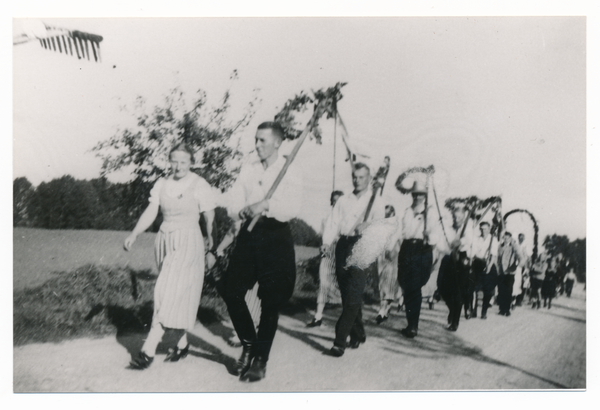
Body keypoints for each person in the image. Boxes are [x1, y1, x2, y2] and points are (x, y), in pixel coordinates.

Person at [221, 121, 302, 382]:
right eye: (255, 140)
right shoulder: (249, 168)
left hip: (275, 237)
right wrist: (241, 209)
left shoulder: (290, 170)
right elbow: (234, 197)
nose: (256, 145)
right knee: (231, 289)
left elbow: (292, 208)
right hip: (249, 235)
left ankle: (260, 360)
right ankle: (248, 344)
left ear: (277, 143)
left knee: (270, 301)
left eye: (262, 141)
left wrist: (265, 204)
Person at [124, 142, 217, 370]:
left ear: (191, 163)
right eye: (174, 161)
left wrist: (212, 246)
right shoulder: (162, 183)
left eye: (183, 162)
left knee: (166, 292)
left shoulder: (199, 184)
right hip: (164, 240)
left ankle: (148, 351)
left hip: (188, 241)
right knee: (173, 295)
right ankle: (182, 344)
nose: (178, 166)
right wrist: (135, 233)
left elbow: (210, 218)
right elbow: (151, 211)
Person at [322, 163, 385, 356]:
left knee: (353, 295)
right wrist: (326, 242)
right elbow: (333, 222)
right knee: (347, 295)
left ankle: (339, 341)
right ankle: (358, 333)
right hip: (343, 245)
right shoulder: (343, 200)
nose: (357, 180)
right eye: (354, 177)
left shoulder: (376, 200)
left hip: (362, 248)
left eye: (361, 177)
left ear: (369, 178)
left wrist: (367, 226)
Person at [397, 180, 435, 338]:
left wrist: (429, 235)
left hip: (422, 249)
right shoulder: (406, 211)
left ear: (425, 196)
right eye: (415, 194)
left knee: (415, 287)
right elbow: (400, 231)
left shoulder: (430, 212)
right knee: (406, 286)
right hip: (406, 249)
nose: (417, 196)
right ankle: (410, 323)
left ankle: (414, 325)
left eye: (420, 194)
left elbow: (435, 235)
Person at [306, 191, 344, 328]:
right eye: (334, 201)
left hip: (342, 252)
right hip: (328, 252)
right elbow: (323, 236)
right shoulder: (326, 218)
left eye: (339, 201)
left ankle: (347, 320)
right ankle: (318, 316)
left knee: (343, 284)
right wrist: (323, 246)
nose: (336, 203)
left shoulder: (346, 219)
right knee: (323, 282)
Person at [437, 200, 474, 331]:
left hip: (461, 259)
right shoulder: (449, 228)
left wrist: (460, 241)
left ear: (463, 217)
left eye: (459, 217)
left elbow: (469, 239)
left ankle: (455, 322)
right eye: (454, 216)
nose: (456, 219)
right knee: (441, 286)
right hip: (448, 258)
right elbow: (442, 243)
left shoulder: (468, 227)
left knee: (457, 291)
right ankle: (452, 309)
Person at [375, 205, 401, 324]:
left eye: (388, 214)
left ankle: (382, 310)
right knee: (382, 282)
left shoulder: (397, 226)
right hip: (381, 255)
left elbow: (400, 241)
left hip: (393, 255)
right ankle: (385, 309)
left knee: (389, 282)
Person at [472, 221, 499, 319]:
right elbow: (474, 252)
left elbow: (493, 255)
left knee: (487, 290)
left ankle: (484, 311)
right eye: (482, 229)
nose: (483, 231)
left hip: (488, 264)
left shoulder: (493, 239)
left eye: (485, 229)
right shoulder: (477, 239)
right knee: (474, 288)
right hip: (478, 264)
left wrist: (489, 266)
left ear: (489, 229)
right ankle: (473, 311)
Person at [496, 232, 524, 316]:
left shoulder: (514, 246)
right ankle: (501, 309)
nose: (505, 239)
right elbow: (498, 258)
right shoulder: (500, 246)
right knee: (501, 290)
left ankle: (507, 309)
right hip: (501, 272)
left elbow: (520, 256)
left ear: (511, 238)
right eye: (504, 237)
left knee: (508, 291)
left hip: (510, 272)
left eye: (507, 238)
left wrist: (518, 264)